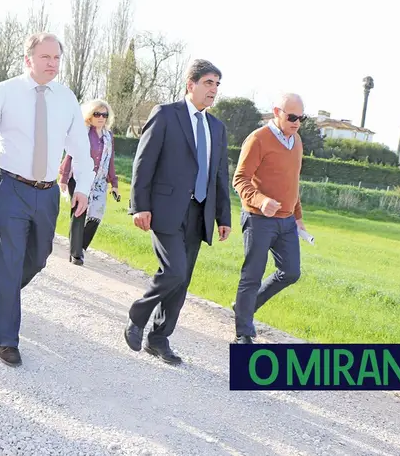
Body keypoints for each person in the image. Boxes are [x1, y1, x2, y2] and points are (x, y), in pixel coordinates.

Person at [0, 32, 93, 368]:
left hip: (47, 192)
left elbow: (80, 149)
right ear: (28, 60)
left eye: (56, 58)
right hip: (9, 187)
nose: (52, 64)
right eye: (45, 57)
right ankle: (8, 340)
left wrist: (82, 187)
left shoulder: (67, 98)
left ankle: (4, 287)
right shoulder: (4, 93)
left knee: (38, 257)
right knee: (10, 260)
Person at [123, 59, 232, 365]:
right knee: (174, 271)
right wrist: (139, 206)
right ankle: (138, 314)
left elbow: (219, 175)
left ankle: (159, 339)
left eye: (217, 85)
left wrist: (223, 217)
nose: (213, 90)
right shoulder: (166, 115)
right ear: (191, 84)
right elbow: (143, 163)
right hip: (166, 209)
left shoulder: (217, 128)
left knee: (182, 282)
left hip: (199, 213)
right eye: (208, 83)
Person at [231, 93, 307, 344]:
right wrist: (261, 200)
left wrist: (298, 217)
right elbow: (239, 179)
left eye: (301, 118)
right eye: (292, 117)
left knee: (291, 271)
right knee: (252, 274)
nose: (296, 122)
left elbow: (293, 183)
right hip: (258, 219)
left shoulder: (296, 141)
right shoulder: (258, 139)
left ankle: (244, 308)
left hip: (286, 222)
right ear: (277, 112)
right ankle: (244, 331)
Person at [58, 99, 120, 266]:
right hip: (77, 177)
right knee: (79, 212)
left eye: (104, 115)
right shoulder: (82, 132)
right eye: (97, 114)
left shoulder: (109, 136)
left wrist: (114, 183)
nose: (101, 117)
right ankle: (76, 254)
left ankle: (79, 245)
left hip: (99, 180)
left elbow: (111, 160)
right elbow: (70, 155)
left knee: (96, 215)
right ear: (89, 116)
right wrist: (64, 178)